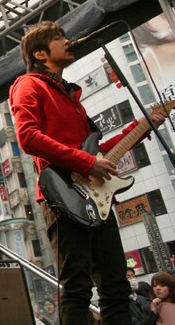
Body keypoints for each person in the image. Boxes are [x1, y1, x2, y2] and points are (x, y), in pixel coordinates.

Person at [9, 21, 166, 325]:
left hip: (97, 200)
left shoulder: (71, 95)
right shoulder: (28, 85)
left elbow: (97, 152)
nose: (68, 41)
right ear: (40, 53)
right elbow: (27, 137)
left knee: (116, 287)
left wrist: (143, 126)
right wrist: (86, 163)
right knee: (77, 287)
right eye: (59, 38)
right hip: (64, 196)